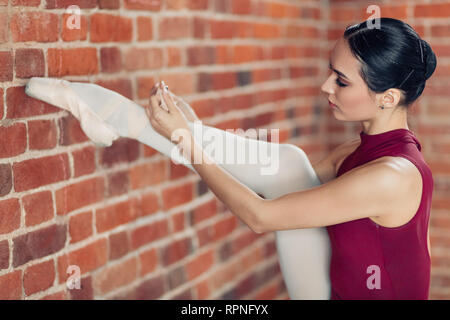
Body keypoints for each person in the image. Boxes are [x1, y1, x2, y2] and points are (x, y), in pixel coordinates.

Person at [145, 18, 437, 299]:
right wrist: (198, 135)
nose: (326, 86)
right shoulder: (356, 151)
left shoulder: (391, 176)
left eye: (342, 82)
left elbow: (260, 216)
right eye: (330, 72)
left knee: (288, 164)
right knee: (289, 163)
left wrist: (189, 142)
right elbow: (275, 188)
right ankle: (152, 128)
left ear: (388, 97)